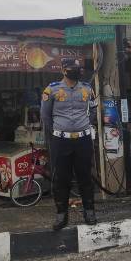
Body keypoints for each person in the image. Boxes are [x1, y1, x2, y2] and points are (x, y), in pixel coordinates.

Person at [40, 59, 97, 230]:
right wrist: (57, 132)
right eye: (74, 68)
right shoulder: (52, 90)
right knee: (61, 178)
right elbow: (45, 115)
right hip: (61, 140)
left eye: (79, 69)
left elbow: (93, 109)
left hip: (83, 139)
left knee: (85, 176)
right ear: (63, 69)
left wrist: (86, 124)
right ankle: (61, 214)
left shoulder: (87, 88)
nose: (78, 71)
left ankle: (89, 211)